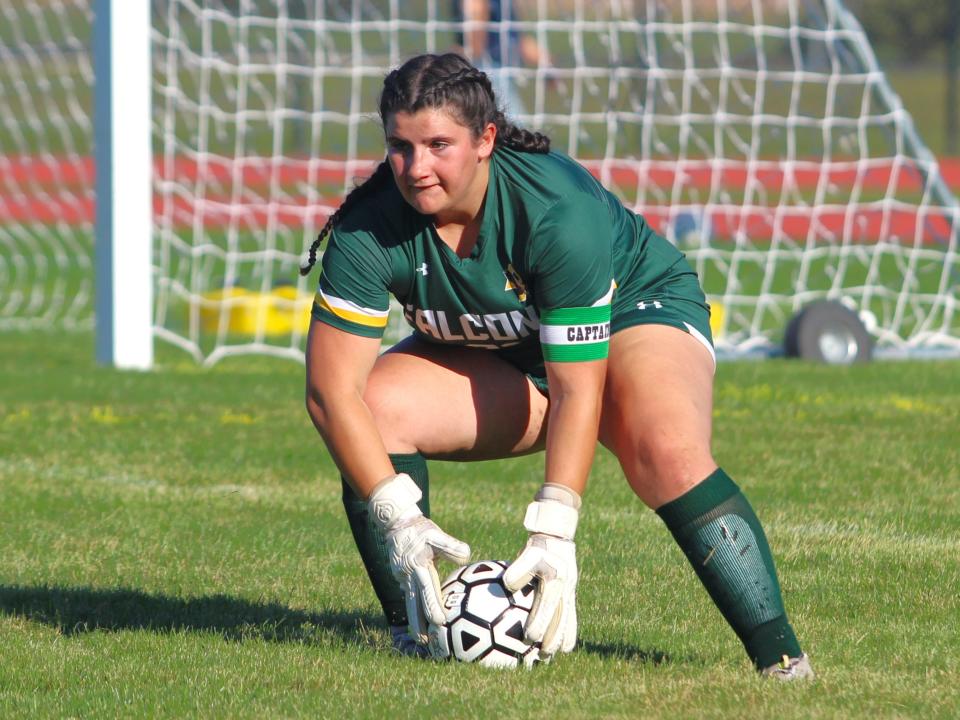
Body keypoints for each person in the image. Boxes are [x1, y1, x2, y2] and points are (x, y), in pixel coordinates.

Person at [301, 52, 813, 679]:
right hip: (510, 352)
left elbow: (577, 386)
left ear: (486, 139)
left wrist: (554, 533)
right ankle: (417, 636)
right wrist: (397, 518)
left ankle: (782, 662)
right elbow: (331, 393)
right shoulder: (367, 229)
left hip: (631, 315)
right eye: (400, 147)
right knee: (372, 417)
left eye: (440, 144)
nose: (417, 168)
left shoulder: (554, 208)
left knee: (664, 449)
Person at [452, 0, 549, 118]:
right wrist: (546, 62)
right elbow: (520, 41)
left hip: (488, 71)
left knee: (509, 126)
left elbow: (475, 48)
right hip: (498, 71)